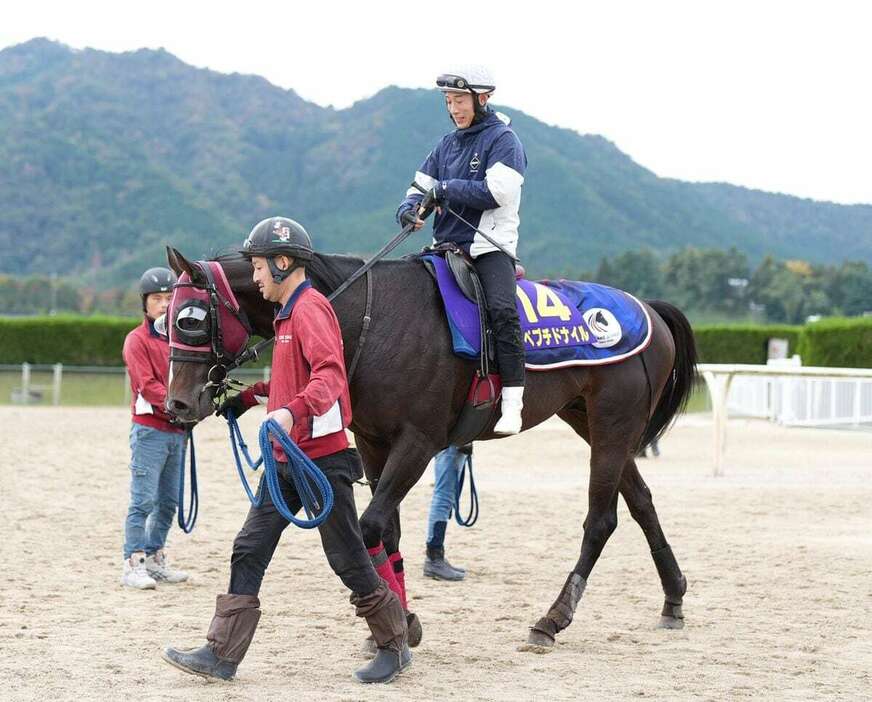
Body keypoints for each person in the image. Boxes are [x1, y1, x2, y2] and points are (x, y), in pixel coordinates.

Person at [162, 217, 410, 685]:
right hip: (286, 459)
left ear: (282, 263)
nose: (254, 278)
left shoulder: (311, 310)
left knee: (348, 559)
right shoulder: (285, 317)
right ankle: (221, 653)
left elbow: (330, 377)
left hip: (320, 460)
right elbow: (292, 380)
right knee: (249, 548)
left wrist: (291, 412)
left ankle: (394, 645)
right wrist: (251, 397)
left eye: (258, 267)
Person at [396, 66, 528, 435]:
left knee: (503, 311)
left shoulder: (504, 140)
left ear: (482, 98)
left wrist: (446, 189)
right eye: (449, 101)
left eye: (460, 100)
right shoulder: (446, 144)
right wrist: (408, 208)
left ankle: (513, 401)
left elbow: (497, 193)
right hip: (445, 247)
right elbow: (419, 185)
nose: (454, 108)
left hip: (490, 247)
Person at [121, 267, 189, 589]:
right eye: (157, 298)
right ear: (145, 303)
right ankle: (133, 562)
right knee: (143, 501)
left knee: (169, 502)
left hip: (178, 432)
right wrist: (181, 405)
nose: (164, 304)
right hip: (150, 431)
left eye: (170, 297)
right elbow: (148, 386)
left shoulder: (184, 341)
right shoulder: (136, 341)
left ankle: (155, 556)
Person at [424, 445, 471, 581]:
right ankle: (434, 558)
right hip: (452, 444)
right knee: (444, 497)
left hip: (453, 444)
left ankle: (436, 557)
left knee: (445, 497)